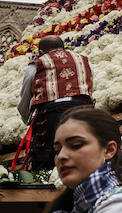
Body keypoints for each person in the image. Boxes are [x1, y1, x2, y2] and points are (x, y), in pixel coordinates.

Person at [16, 36, 94, 171]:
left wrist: (27, 119)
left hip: (51, 115)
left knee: (47, 157)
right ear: (63, 48)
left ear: (40, 52)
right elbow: (90, 87)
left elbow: (25, 97)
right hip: (83, 111)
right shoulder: (83, 60)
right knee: (83, 148)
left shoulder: (36, 64)